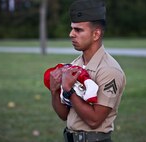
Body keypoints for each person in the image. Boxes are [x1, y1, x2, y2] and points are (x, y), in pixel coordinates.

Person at [48, 0, 126, 141]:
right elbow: (64, 115)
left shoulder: (109, 70)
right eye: (72, 28)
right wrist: (54, 91)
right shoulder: (75, 64)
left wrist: (69, 90)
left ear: (96, 34)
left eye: (78, 30)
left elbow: (95, 120)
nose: (71, 34)